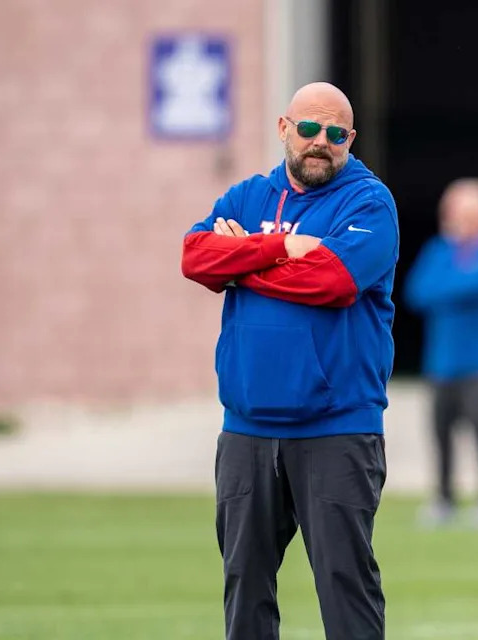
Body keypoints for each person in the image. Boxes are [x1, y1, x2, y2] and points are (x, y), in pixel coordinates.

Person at [181, 82, 398, 640]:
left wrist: (239, 258)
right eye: (308, 129)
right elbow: (194, 257)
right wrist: (277, 247)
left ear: (350, 140)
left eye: (335, 134)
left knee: (344, 586)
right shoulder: (249, 196)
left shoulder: (369, 201)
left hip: (338, 425)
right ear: (284, 129)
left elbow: (334, 280)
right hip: (247, 429)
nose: (319, 142)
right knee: (244, 585)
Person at [403, 178, 478, 528]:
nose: (453, 218)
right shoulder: (439, 249)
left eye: (463, 212)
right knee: (440, 434)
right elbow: (417, 292)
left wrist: (449, 287)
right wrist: (460, 285)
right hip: (442, 362)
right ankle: (443, 498)